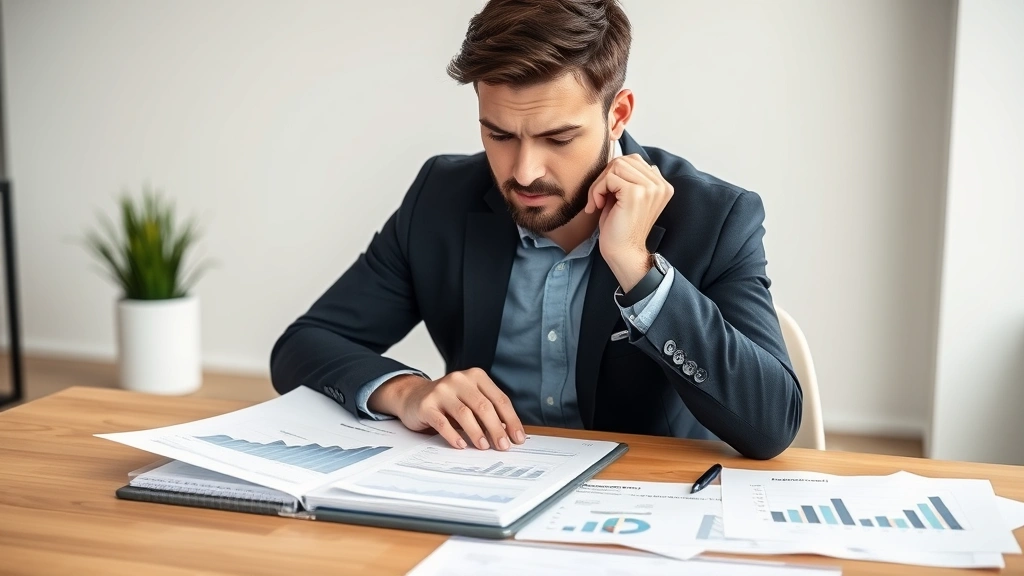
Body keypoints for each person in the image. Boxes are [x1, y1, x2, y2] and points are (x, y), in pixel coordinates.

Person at [271, 0, 802, 460]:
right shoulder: (441, 197)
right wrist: (407, 392)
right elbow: (304, 345)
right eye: (499, 135)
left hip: (638, 500)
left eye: (558, 138)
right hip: (478, 489)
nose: (524, 172)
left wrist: (638, 270)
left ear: (617, 115)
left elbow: (771, 424)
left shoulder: (713, 218)